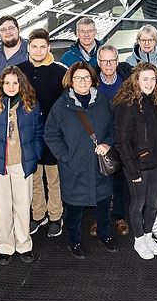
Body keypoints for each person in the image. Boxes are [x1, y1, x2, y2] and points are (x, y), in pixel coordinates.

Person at [45, 62, 119, 258]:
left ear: (92, 80)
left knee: (104, 203)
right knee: (74, 207)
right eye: (78, 78)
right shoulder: (61, 105)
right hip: (74, 167)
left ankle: (105, 234)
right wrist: (65, 156)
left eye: (86, 77)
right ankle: (74, 240)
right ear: (70, 81)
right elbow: (50, 133)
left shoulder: (102, 100)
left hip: (98, 164)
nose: (83, 81)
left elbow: (113, 127)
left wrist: (107, 144)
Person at [0, 66, 45, 265]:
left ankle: (24, 244)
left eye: (15, 82)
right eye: (7, 83)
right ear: (0, 84)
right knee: (2, 207)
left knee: (22, 206)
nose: (11, 87)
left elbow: (39, 133)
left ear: (21, 84)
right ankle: (6, 244)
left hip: (22, 164)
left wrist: (35, 156)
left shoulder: (30, 104)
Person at [113, 62, 157, 260]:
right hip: (137, 166)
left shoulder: (156, 101)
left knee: (153, 203)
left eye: (153, 79)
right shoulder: (127, 106)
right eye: (145, 79)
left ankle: (147, 235)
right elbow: (122, 142)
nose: (150, 83)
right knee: (138, 203)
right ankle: (138, 240)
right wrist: (133, 170)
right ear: (136, 80)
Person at [17, 29, 67, 238]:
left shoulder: (59, 71)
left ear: (48, 48)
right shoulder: (18, 71)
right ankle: (39, 215)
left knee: (54, 179)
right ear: (28, 47)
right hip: (29, 135)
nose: (38, 50)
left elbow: (66, 104)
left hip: (53, 134)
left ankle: (56, 216)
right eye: (34, 46)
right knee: (35, 178)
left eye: (42, 46)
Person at [95, 44, 132, 237]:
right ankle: (100, 218)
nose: (108, 65)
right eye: (104, 61)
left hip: (122, 140)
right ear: (98, 62)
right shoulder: (91, 83)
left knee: (120, 181)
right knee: (100, 180)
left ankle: (119, 216)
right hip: (98, 140)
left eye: (112, 60)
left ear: (118, 61)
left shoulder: (127, 82)